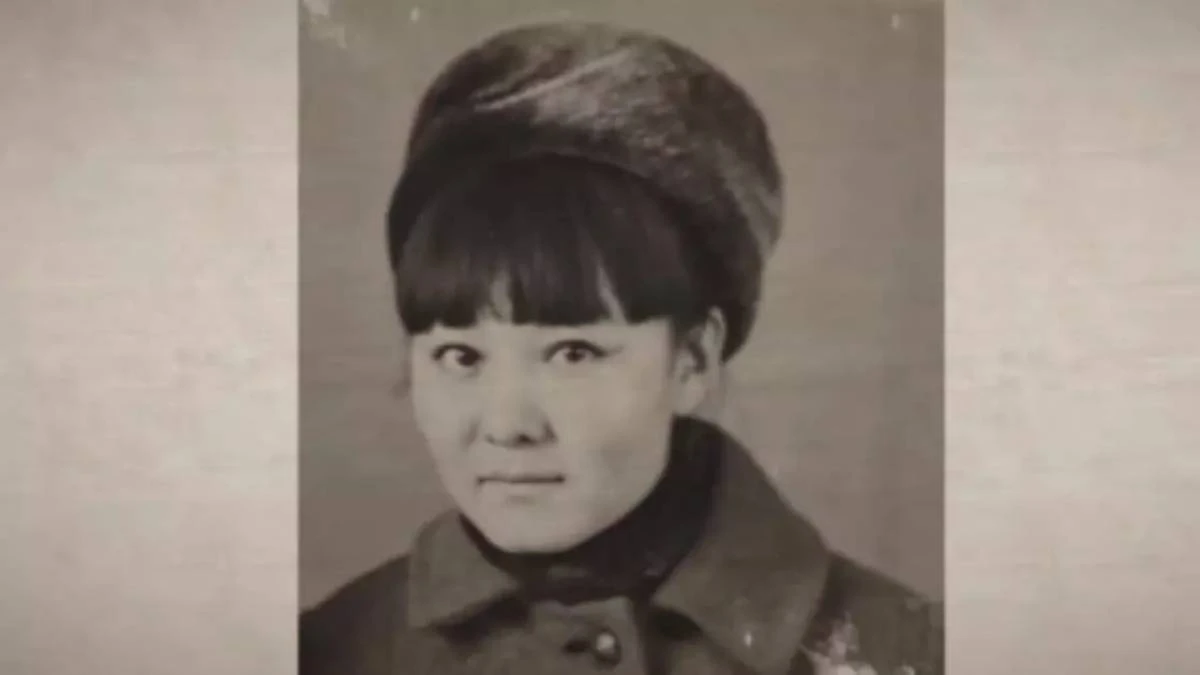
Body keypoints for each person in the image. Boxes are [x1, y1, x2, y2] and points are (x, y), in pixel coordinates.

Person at [300, 20, 943, 675]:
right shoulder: (330, 651)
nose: (507, 425)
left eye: (573, 353)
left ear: (692, 360)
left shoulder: (905, 651)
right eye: (461, 357)